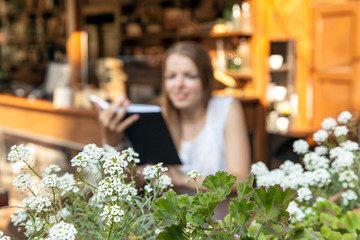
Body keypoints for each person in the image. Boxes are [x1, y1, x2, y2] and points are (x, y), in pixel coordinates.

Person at [95, 41, 250, 194]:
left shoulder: (225, 108)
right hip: (175, 218)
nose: (179, 84)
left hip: (220, 218)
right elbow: (133, 183)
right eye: (171, 76)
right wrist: (112, 144)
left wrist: (183, 179)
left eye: (190, 76)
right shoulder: (156, 117)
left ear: (207, 80)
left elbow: (240, 180)